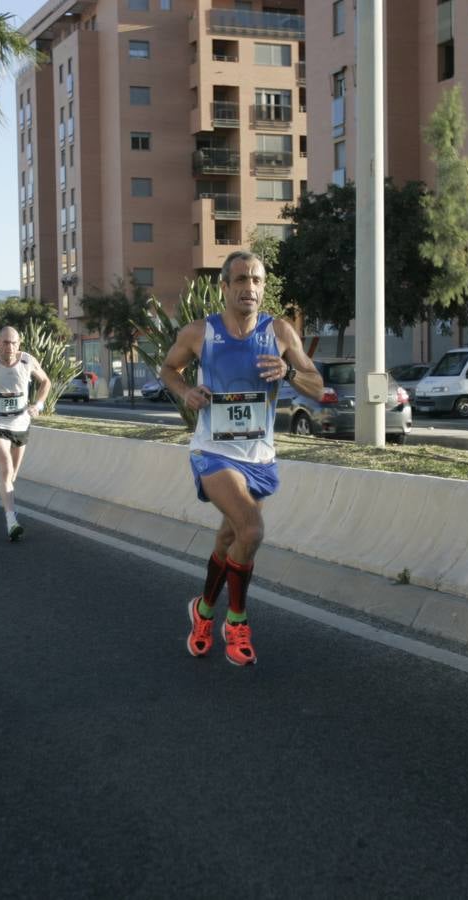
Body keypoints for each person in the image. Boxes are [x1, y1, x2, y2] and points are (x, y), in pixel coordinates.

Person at [159, 250, 324, 666]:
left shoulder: (280, 332)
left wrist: (288, 374)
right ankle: (237, 620)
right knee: (251, 530)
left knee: (229, 538)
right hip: (212, 450)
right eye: (241, 280)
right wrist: (186, 393)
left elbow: (318, 388)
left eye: (256, 280)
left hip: (259, 455)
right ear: (225, 287)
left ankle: (204, 611)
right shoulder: (201, 333)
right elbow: (168, 370)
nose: (249, 288)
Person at [0, 326, 52, 541]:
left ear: (19, 344)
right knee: (6, 466)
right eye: (5, 342)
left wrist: (39, 405)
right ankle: (11, 520)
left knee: (11, 475)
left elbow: (46, 381)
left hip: (21, 423)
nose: (10, 347)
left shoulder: (27, 361)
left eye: (14, 342)